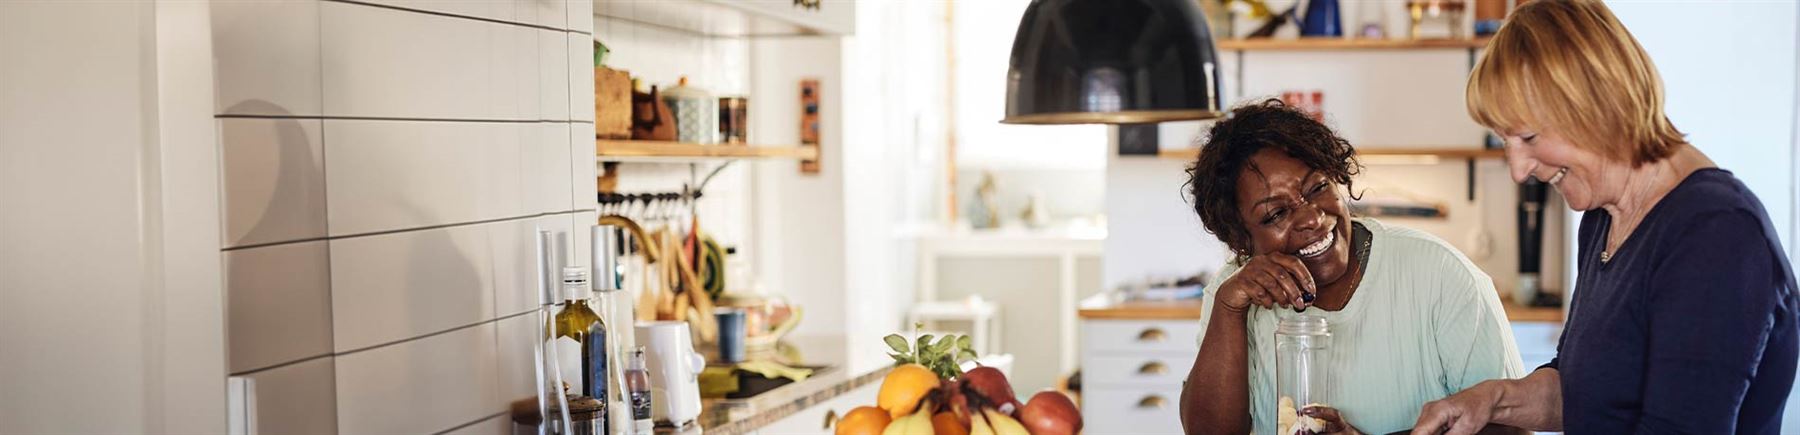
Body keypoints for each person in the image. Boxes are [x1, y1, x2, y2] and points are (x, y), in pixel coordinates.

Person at [1412, 1, 1800, 434]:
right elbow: (1587, 393)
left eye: (1529, 137)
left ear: (1599, 103)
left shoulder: (1716, 233)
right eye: (1505, 141)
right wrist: (1489, 401)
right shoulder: (1603, 218)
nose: (1519, 170)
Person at [1179, 99, 1526, 435]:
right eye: (1276, 214)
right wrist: (1227, 309)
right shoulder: (1234, 293)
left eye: (1317, 188)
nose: (1313, 218)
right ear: (1241, 238)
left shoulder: (1440, 275)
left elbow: (1510, 430)